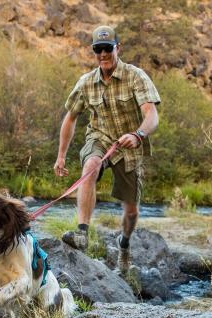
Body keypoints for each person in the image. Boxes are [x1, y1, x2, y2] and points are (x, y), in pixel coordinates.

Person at [53, 25, 160, 275]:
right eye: (97, 50)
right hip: (99, 138)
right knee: (91, 165)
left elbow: (152, 115)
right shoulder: (86, 82)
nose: (102, 54)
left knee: (131, 210)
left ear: (117, 48)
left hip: (130, 145)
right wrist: (60, 156)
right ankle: (82, 233)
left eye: (107, 48)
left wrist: (138, 134)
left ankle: (124, 243)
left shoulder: (136, 76)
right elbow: (70, 119)